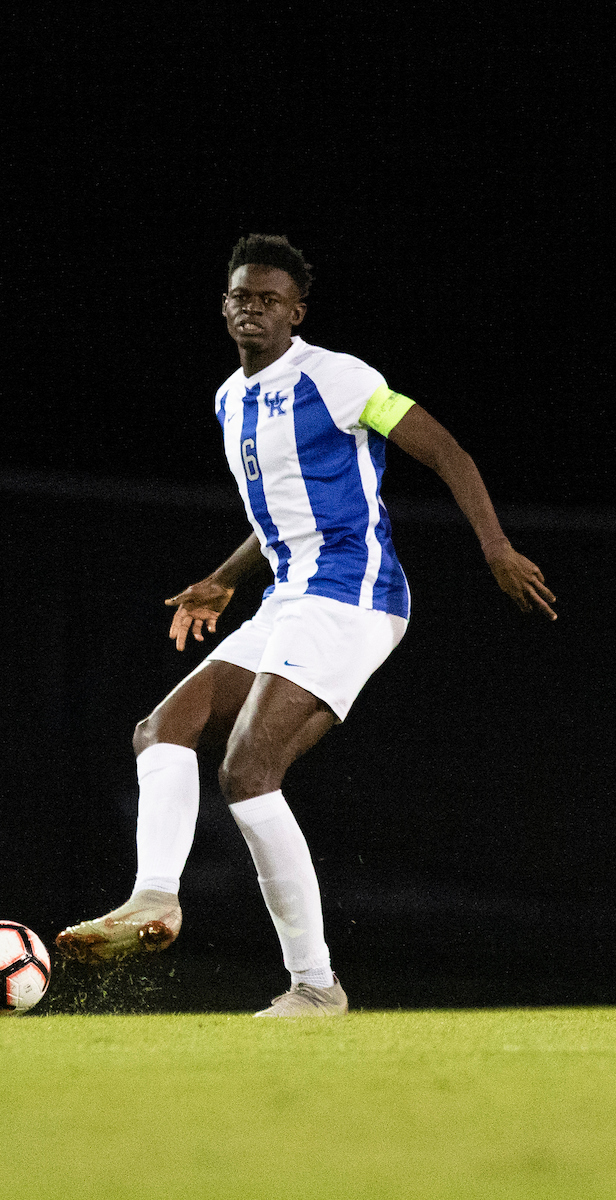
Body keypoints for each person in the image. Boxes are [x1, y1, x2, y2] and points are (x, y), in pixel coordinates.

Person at [55, 234, 556, 1017]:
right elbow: (280, 516)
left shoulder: (339, 377)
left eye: (267, 299)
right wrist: (224, 580)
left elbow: (446, 450)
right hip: (290, 595)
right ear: (224, 306)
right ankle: (154, 899)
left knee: (247, 773)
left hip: (353, 596)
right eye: (239, 297)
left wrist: (494, 546)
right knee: (162, 730)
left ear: (296, 312)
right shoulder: (229, 399)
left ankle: (315, 986)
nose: (251, 308)